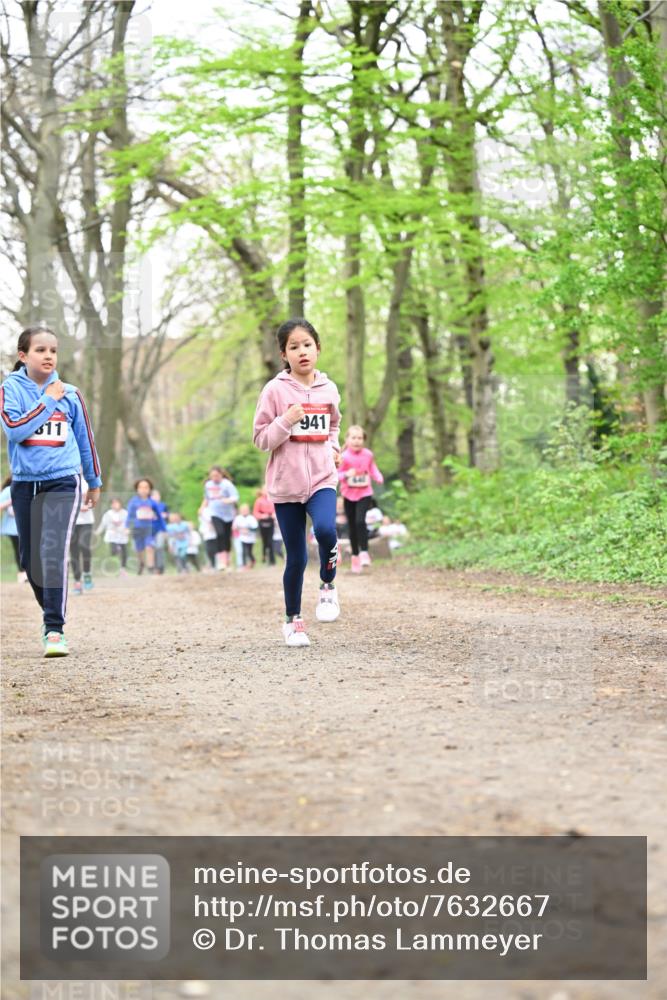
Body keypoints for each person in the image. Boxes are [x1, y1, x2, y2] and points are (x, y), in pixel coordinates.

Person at [0, 325, 102, 656]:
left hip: (64, 480)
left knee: (53, 550)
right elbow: (16, 430)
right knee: (31, 559)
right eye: (41, 350)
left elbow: (85, 439)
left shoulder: (70, 393)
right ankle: (50, 611)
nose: (48, 356)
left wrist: (94, 481)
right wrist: (47, 400)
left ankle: (54, 628)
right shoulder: (10, 391)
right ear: (23, 355)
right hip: (25, 484)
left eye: (53, 351)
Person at [253, 317, 342, 647]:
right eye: (294, 347)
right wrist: (285, 420)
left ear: (318, 349)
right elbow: (261, 439)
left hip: (322, 478)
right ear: (284, 354)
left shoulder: (329, 389)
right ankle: (293, 622)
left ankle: (328, 587)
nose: (302, 351)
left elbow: (333, 426)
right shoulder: (275, 390)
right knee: (297, 557)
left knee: (326, 530)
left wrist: (333, 448)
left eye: (307, 345)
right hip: (285, 486)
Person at [338, 424, 384, 572]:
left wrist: (378, 476)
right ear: (347, 439)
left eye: (360, 438)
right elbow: (336, 475)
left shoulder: (368, 454)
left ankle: (364, 552)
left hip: (365, 493)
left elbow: (372, 468)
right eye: (353, 438)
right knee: (351, 526)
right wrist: (346, 474)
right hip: (348, 494)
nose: (357, 441)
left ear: (363, 440)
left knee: (360, 521)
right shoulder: (343, 457)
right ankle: (355, 557)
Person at [200, 466, 238, 570]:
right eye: (212, 476)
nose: (214, 478)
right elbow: (206, 498)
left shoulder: (227, 484)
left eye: (216, 475)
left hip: (228, 515)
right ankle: (222, 561)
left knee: (226, 537)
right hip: (215, 513)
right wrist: (202, 507)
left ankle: (227, 560)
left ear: (221, 474)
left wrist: (227, 500)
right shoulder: (208, 485)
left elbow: (235, 497)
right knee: (219, 534)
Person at [126, 477, 166, 575]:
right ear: (137, 489)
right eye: (141, 487)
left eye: (146, 487)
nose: (143, 490)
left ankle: (151, 568)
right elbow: (129, 515)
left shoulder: (152, 502)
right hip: (137, 529)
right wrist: (126, 527)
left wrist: (164, 529)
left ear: (149, 489)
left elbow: (159, 517)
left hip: (150, 529)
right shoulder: (133, 501)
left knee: (149, 547)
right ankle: (141, 564)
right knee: (139, 549)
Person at [70, 478, 95, 594]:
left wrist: (88, 505)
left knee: (84, 545)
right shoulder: (66, 480)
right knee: (73, 551)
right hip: (71, 521)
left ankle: (87, 572)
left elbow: (94, 497)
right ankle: (77, 581)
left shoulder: (87, 480)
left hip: (86, 521)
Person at [0, 475, 26, 582]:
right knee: (19, 550)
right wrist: (11, 501)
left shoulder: (26, 489)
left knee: (26, 550)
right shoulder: (7, 491)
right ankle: (22, 574)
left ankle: (26, 573)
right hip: (12, 528)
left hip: (26, 526)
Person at [95, 497, 129, 574]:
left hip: (122, 535)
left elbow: (128, 523)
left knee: (125, 553)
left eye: (117, 503)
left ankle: (123, 569)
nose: (115, 505)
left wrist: (128, 529)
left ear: (120, 504)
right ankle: (117, 550)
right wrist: (97, 532)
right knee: (114, 551)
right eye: (113, 503)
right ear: (111, 505)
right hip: (112, 535)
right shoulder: (108, 514)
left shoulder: (125, 513)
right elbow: (103, 524)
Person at [253, 486, 276, 565]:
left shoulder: (273, 499)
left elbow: (275, 510)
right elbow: (255, 513)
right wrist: (262, 516)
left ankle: (272, 560)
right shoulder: (258, 501)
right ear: (262, 491)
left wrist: (274, 514)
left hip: (271, 521)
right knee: (264, 541)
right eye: (265, 490)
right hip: (262, 522)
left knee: (270, 541)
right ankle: (264, 557)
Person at [233, 503, 258, 569]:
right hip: (242, 538)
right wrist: (239, 529)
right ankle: (243, 565)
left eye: (245, 510)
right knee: (243, 551)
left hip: (250, 538)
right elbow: (234, 527)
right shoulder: (238, 518)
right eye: (242, 510)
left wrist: (248, 530)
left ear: (248, 510)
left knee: (249, 552)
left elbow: (255, 528)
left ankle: (253, 560)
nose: (244, 511)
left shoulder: (251, 518)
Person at [151, 488, 169, 575]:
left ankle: (160, 567)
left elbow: (167, 516)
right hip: (150, 530)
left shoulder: (163, 505)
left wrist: (165, 530)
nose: (156, 497)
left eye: (157, 495)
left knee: (159, 547)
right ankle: (154, 567)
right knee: (152, 549)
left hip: (161, 529)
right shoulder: (149, 506)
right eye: (154, 496)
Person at [198, 506, 218, 571]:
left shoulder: (214, 510)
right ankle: (212, 564)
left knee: (216, 549)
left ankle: (216, 564)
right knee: (209, 550)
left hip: (215, 534)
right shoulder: (203, 514)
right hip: (207, 535)